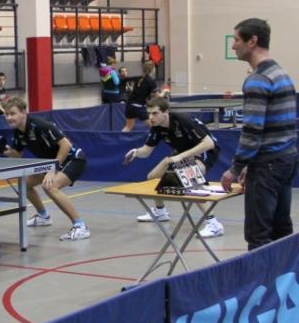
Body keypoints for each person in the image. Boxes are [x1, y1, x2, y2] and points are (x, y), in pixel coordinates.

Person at [221, 18, 297, 251]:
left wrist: (235, 169)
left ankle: (262, 277)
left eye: (236, 40)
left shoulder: (258, 80)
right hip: (286, 159)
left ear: (252, 41)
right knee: (281, 229)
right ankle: (286, 275)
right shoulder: (281, 73)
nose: (233, 45)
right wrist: (250, 165)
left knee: (258, 236)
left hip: (268, 167)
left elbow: (253, 132)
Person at [123, 97, 225, 238]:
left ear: (166, 112)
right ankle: (160, 212)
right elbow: (146, 151)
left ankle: (214, 224)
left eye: (155, 113)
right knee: (152, 177)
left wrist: (181, 157)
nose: (150, 117)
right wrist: (136, 152)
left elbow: (209, 143)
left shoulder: (183, 120)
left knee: (190, 178)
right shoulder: (156, 127)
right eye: (149, 113)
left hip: (204, 150)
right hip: (182, 152)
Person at [0, 97, 90, 241]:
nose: (9, 117)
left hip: (73, 159)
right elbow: (18, 154)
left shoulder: (40, 125)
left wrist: (52, 169)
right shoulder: (18, 131)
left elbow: (66, 145)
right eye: (6, 114)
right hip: (50, 163)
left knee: (50, 186)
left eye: (12, 113)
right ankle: (43, 216)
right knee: (24, 184)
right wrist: (8, 152)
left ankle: (80, 227)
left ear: (23, 112)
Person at [122, 61, 159, 132]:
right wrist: (165, 91)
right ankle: (154, 139)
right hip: (138, 107)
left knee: (128, 126)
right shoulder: (151, 81)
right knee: (153, 126)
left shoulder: (139, 78)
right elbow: (158, 96)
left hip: (129, 105)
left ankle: (119, 138)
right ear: (152, 69)